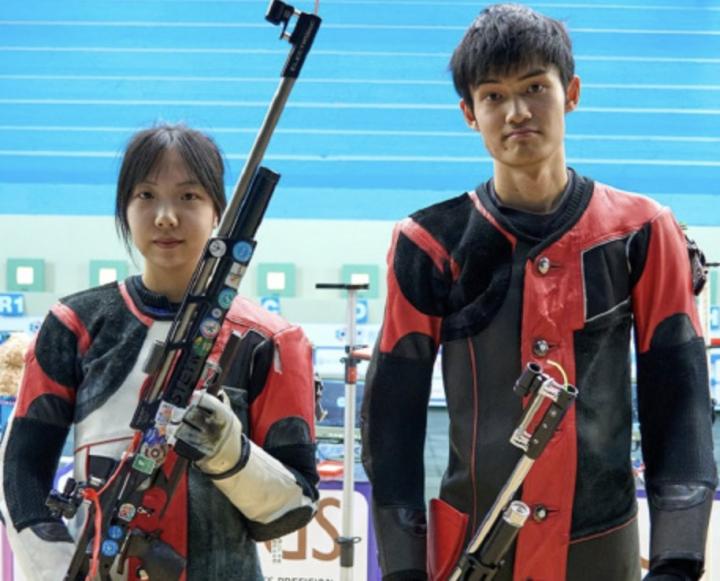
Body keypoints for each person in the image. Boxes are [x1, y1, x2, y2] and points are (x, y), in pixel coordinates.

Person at [360, 5, 717, 581]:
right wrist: (403, 568)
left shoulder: (643, 231)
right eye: (494, 96)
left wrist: (676, 560)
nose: (517, 112)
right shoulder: (428, 242)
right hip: (471, 551)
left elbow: (680, 403)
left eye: (534, 88)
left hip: (602, 552)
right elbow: (391, 422)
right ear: (469, 114)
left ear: (571, 93)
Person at [0, 124, 320, 580]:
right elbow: (19, 473)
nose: (166, 217)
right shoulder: (74, 324)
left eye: (189, 196)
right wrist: (60, 570)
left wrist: (227, 452)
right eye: (146, 196)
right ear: (125, 209)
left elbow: (293, 509)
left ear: (218, 212)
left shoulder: (271, 340)